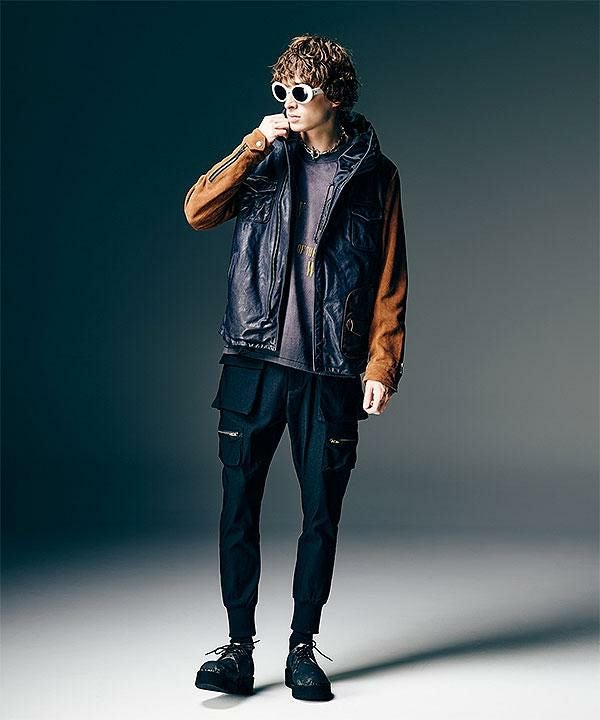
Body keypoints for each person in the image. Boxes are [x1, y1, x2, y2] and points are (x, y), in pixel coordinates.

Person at [183, 34, 408, 702]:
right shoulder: (264, 158)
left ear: (334, 96)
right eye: (280, 90)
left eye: (300, 91)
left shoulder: (374, 174)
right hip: (253, 363)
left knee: (320, 515)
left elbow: (390, 279)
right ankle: (237, 648)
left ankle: (302, 647)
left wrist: (382, 364)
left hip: (329, 370)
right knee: (238, 509)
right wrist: (253, 144)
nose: (288, 101)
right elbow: (198, 211)